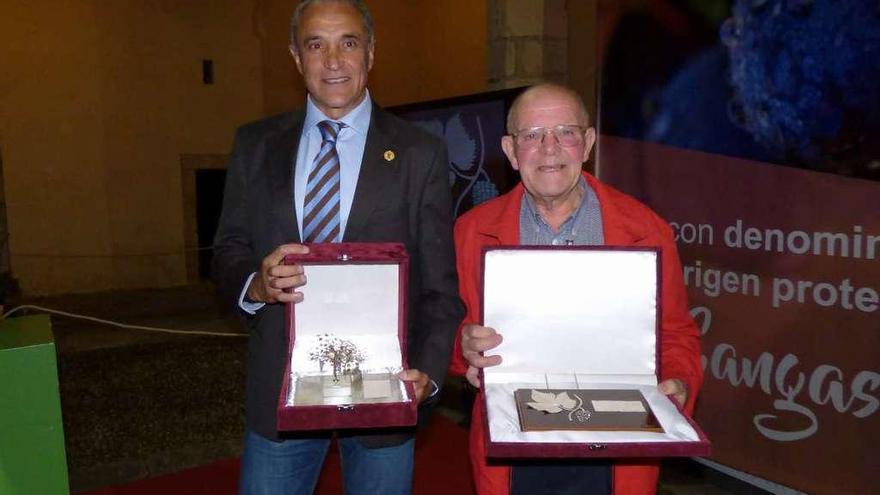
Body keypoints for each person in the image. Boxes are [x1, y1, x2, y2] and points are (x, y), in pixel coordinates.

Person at [211, 1, 463, 493]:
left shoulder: (420, 154)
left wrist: (429, 377)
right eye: (315, 44)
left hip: (385, 389)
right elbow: (228, 249)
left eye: (348, 42)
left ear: (370, 53)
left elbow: (440, 286)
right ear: (295, 56)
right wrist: (256, 285)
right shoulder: (254, 144)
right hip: (280, 386)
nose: (333, 60)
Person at [450, 83, 702, 495]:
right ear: (511, 151)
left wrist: (679, 382)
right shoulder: (472, 232)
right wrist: (462, 349)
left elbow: (677, 333)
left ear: (586, 144)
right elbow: (448, 328)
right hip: (512, 446)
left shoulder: (647, 231)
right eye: (532, 135)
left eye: (565, 132)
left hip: (615, 443)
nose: (549, 148)